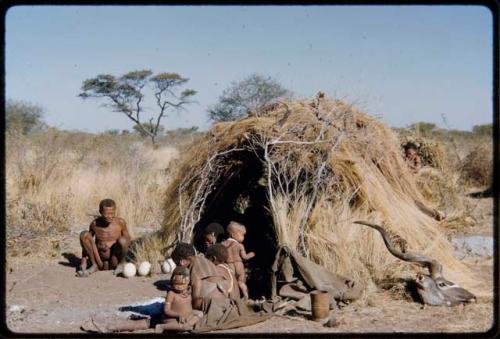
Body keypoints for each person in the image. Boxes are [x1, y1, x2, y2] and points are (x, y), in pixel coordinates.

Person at [77, 199, 131, 277]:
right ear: (100, 212)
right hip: (99, 259)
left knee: (122, 240)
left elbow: (128, 240)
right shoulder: (94, 224)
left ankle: (121, 264)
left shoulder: (120, 222)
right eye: (107, 214)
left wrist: (113, 243)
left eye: (112, 213)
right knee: (84, 234)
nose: (110, 216)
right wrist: (83, 260)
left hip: (114, 259)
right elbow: (87, 243)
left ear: (115, 211)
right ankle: (94, 265)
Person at [170, 243, 229, 310]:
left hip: (212, 303)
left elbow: (195, 300)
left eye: (177, 265)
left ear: (182, 262)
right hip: (224, 297)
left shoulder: (194, 269)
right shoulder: (204, 260)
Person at [155, 267, 203, 333]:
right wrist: (179, 315)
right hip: (172, 319)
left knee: (200, 314)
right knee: (184, 326)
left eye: (182, 284)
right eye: (176, 284)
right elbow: (166, 310)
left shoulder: (189, 292)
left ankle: (188, 325)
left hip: (187, 315)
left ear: (188, 282)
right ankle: (162, 326)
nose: (179, 286)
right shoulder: (171, 294)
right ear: (172, 282)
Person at [222, 221, 255, 300]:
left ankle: (232, 298)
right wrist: (251, 254)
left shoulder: (223, 244)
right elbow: (244, 257)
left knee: (232, 282)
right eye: (242, 234)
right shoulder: (240, 245)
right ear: (233, 235)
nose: (243, 237)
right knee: (241, 282)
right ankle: (246, 296)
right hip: (239, 265)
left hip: (229, 265)